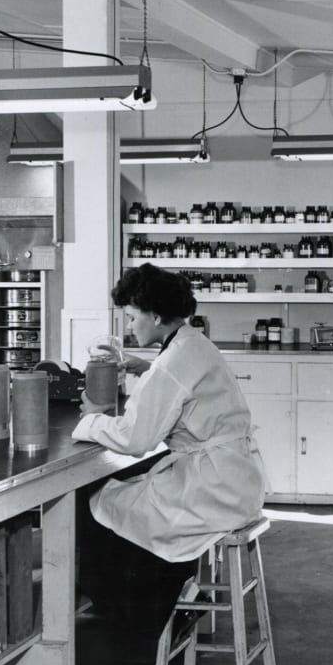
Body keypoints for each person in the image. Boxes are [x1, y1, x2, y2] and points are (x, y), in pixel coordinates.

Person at [72, 263, 267, 640]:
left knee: (98, 504)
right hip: (234, 480)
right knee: (125, 497)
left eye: (133, 317)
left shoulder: (173, 361)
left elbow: (135, 440)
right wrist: (144, 368)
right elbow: (180, 384)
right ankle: (163, 595)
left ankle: (144, 616)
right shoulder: (192, 343)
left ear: (156, 316)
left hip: (213, 490)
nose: (130, 327)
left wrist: (94, 418)